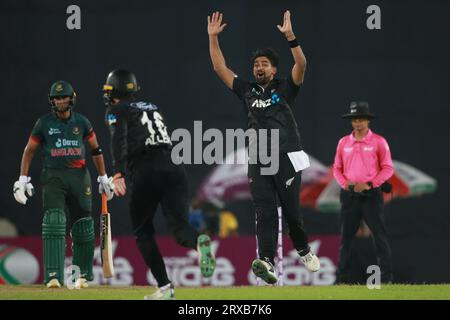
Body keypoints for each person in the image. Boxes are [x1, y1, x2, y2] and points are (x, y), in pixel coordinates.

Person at [207, 10, 320, 285]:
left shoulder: (285, 87)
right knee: (264, 212)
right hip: (258, 158)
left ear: (274, 69)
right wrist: (213, 39)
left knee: (292, 211)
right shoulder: (246, 90)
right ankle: (267, 261)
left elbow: (302, 65)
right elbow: (220, 69)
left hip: (287, 155)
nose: (259, 67)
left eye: (265, 64)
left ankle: (303, 249)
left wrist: (291, 38)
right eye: (256, 63)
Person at [102, 69, 216, 300]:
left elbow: (118, 139)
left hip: (146, 167)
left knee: (143, 232)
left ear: (113, 91)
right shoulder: (151, 106)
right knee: (179, 228)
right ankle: (197, 243)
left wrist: (117, 174)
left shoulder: (116, 109)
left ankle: (165, 288)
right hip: (174, 166)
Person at [13, 80, 114, 288]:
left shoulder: (82, 123)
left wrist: (103, 176)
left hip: (79, 177)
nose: (60, 101)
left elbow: (96, 150)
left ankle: (81, 275)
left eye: (64, 97)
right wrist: (22, 179)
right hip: (53, 178)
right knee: (54, 222)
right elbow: (29, 151)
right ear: (52, 101)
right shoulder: (44, 123)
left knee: (84, 226)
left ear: (72, 98)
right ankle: (53, 276)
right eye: (57, 98)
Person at [333, 101, 394, 284]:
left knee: (379, 237)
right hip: (350, 195)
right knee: (346, 239)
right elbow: (337, 168)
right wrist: (347, 185)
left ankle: (386, 278)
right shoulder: (343, 142)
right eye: (354, 119)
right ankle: (341, 280)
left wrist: (371, 183)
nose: (357, 123)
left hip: (371, 195)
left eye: (361, 119)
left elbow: (388, 168)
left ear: (368, 121)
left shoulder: (378, 142)